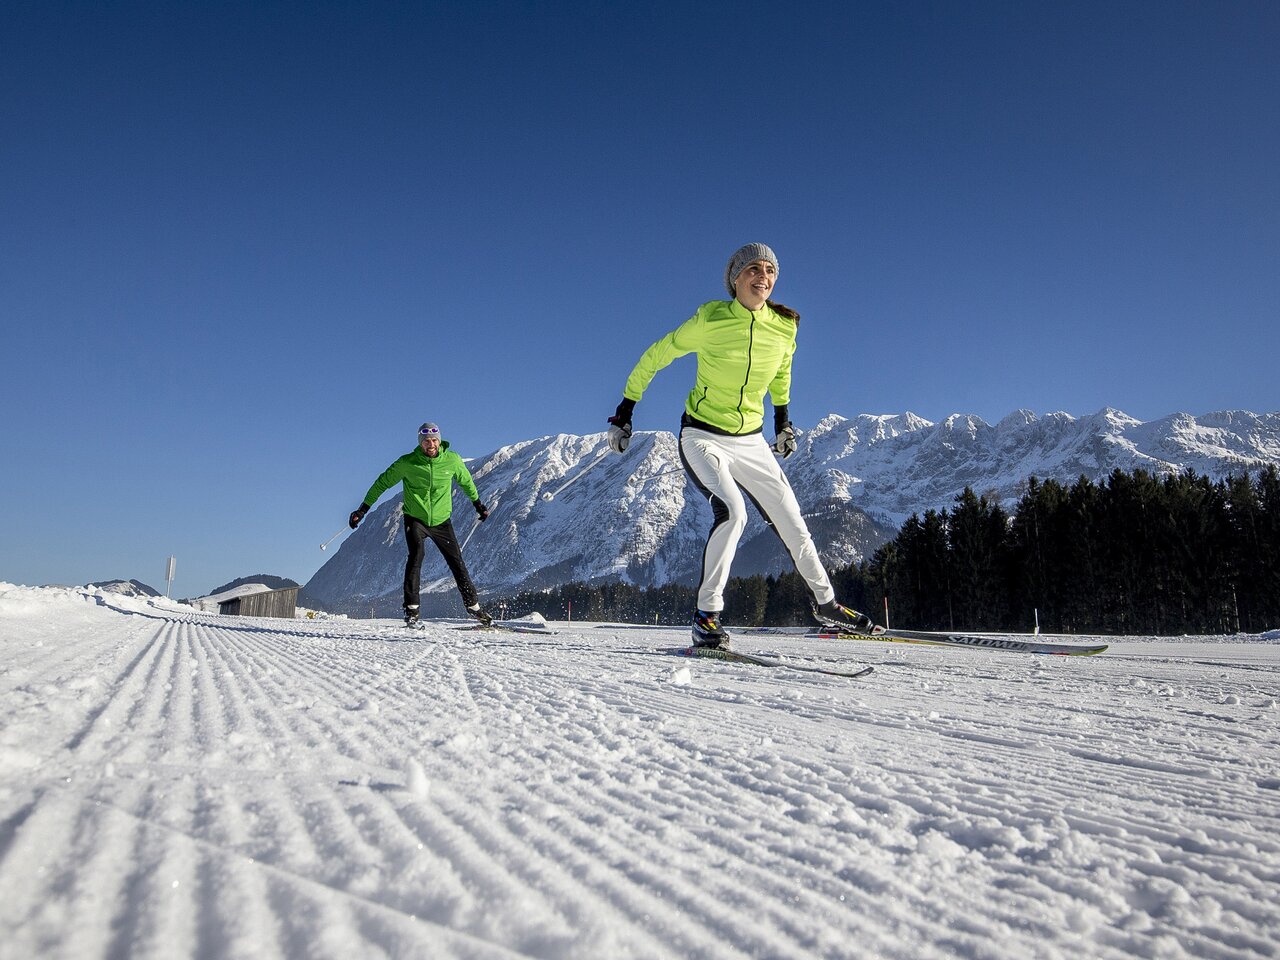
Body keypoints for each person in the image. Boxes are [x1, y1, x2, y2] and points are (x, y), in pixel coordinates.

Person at [606, 243, 884, 649]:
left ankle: (827, 604)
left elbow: (781, 376)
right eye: (753, 268)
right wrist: (625, 409)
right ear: (735, 278)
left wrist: (783, 423)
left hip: (751, 440)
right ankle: (706, 616)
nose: (763, 276)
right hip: (702, 435)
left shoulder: (784, 328)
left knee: (793, 522)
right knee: (733, 514)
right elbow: (657, 355)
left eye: (770, 270)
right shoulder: (710, 319)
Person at [348, 422, 492, 627]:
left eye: (434, 440)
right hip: (415, 519)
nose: (430, 445)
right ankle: (412, 611)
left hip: (442, 521)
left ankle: (474, 607)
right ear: (420, 443)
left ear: (439, 441)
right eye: (426, 442)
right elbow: (382, 483)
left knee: (456, 561)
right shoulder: (407, 463)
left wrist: (478, 505)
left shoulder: (452, 460)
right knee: (416, 557)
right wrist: (362, 510)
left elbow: (466, 482)